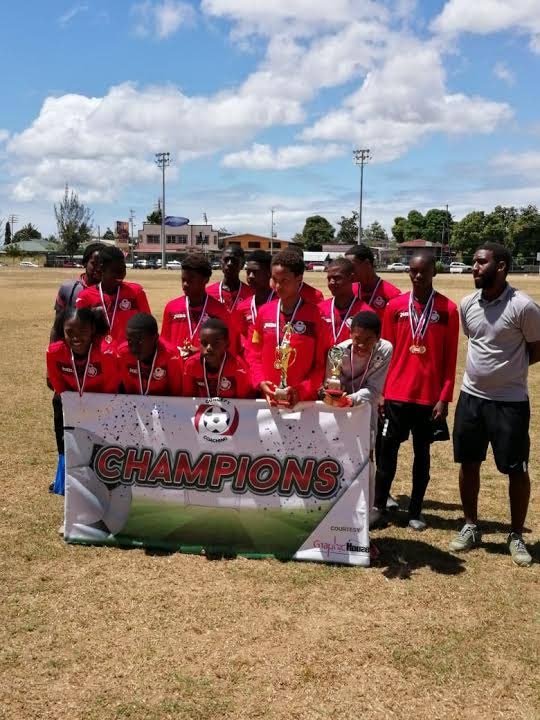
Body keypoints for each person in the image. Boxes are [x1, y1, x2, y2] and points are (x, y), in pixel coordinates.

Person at [450, 242, 540, 567]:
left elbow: (536, 348)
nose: (474, 267)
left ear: (500, 266)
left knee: (516, 470)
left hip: (510, 403)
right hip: (471, 398)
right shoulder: (467, 304)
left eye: (480, 262)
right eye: (473, 262)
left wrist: (508, 373)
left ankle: (516, 534)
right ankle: (471, 525)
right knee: (469, 463)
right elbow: (475, 340)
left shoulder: (525, 307)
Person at [373, 251, 459, 530]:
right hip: (395, 394)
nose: (417, 276)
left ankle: (416, 511)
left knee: (422, 455)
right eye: (413, 271)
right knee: (387, 453)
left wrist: (444, 397)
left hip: (427, 398)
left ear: (435, 271)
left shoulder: (448, 309)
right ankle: (378, 507)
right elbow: (383, 354)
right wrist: (382, 392)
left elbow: (449, 360)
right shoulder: (394, 307)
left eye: (423, 271)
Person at [46, 306, 119, 495]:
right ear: (62, 331)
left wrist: (93, 407)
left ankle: (101, 483)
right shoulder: (55, 352)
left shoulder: (106, 351)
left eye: (83, 331)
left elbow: (111, 387)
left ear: (93, 330)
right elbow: (57, 382)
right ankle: (66, 485)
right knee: (67, 444)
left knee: (98, 445)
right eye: (69, 332)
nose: (76, 337)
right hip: (69, 404)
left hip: (102, 406)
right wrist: (70, 402)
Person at [250, 249, 326, 408]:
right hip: (268, 397)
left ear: (299, 279)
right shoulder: (264, 312)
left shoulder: (316, 315)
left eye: (284, 280)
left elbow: (321, 364)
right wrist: (260, 381)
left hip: (303, 402)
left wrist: (301, 390)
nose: (277, 286)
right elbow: (254, 353)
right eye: (274, 279)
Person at [161, 254, 239, 358]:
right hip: (177, 370)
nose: (185, 284)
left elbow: (228, 347)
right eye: (183, 280)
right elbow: (164, 343)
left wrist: (200, 352)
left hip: (204, 371)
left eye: (190, 280)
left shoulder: (219, 310)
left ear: (205, 280)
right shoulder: (172, 307)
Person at [76, 246, 151, 344]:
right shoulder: (85, 297)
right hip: (99, 355)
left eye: (123, 269)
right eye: (115, 270)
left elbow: (147, 325)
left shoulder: (135, 292)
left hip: (128, 354)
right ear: (102, 269)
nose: (121, 274)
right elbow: (80, 330)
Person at [183, 318, 252, 398]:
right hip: (201, 409)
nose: (208, 348)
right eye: (204, 343)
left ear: (227, 344)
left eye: (215, 343)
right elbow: (188, 400)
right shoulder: (191, 364)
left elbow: (245, 402)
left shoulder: (238, 366)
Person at [118, 313, 183, 396]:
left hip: (165, 405)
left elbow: (176, 393)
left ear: (155, 338)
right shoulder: (123, 353)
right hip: (133, 404)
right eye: (129, 341)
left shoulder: (171, 356)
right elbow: (127, 389)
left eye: (140, 341)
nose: (133, 348)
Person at [51, 242, 105, 340]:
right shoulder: (68, 289)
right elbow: (57, 327)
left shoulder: (111, 291)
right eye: (94, 263)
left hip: (102, 350)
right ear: (85, 262)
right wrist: (53, 351)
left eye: (102, 265)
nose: (98, 268)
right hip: (74, 348)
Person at [318, 258, 374, 346]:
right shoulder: (319, 309)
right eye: (329, 278)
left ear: (351, 278)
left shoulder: (366, 313)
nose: (332, 282)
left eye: (337, 278)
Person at [345, 244, 401, 320]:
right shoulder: (349, 291)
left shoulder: (392, 294)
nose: (349, 272)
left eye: (352, 267)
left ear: (367, 264)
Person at [236, 250, 274, 355]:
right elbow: (243, 333)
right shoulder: (242, 307)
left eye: (255, 272)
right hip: (251, 363)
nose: (250, 276)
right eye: (248, 272)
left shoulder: (280, 303)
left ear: (269, 273)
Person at [206, 246, 253, 312]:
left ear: (242, 264)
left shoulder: (251, 294)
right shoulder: (208, 293)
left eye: (234, 260)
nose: (229, 263)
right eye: (226, 260)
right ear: (220, 263)